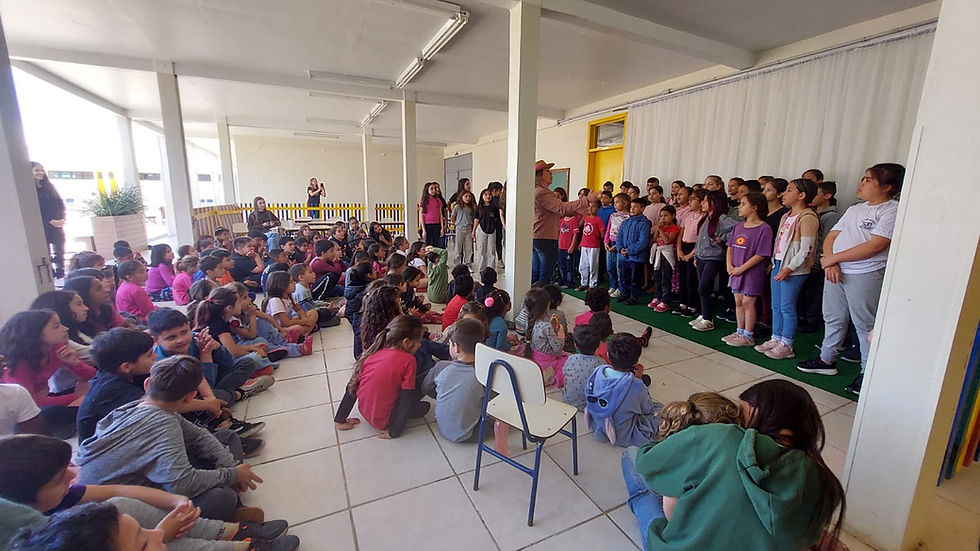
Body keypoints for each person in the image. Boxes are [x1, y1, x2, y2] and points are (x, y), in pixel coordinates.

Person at [621, 379, 845, 551]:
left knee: (632, 458)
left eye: (744, 415)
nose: (739, 422)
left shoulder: (721, 437)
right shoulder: (824, 483)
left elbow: (647, 461)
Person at [0, 435, 298, 551]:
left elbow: (118, 491)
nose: (72, 474)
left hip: (118, 532)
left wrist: (176, 503)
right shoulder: (31, 532)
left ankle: (226, 531)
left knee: (119, 506)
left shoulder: (59, 498)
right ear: (26, 496)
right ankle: (241, 546)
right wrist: (157, 534)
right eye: (57, 477)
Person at [76, 356, 265, 522]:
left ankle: (234, 498)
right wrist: (231, 474)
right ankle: (231, 509)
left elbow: (200, 437)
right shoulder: (162, 422)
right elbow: (180, 484)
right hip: (117, 510)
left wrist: (232, 470)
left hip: (143, 482)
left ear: (147, 384)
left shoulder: (138, 407)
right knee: (222, 498)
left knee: (228, 436)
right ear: (191, 396)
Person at [797, 163, 904, 395]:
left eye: (868, 180)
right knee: (833, 316)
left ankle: (867, 372)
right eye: (863, 178)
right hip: (835, 270)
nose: (861, 183)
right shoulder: (855, 209)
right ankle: (827, 359)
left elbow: (876, 245)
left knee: (865, 323)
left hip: (865, 272)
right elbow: (833, 235)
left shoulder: (891, 210)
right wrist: (831, 260)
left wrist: (833, 259)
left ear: (888, 187)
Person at [150, 309, 271, 411]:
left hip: (213, 381)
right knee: (200, 399)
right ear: (156, 340)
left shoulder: (196, 338)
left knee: (248, 362)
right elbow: (202, 387)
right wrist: (205, 356)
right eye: (171, 337)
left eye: (184, 332)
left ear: (189, 326)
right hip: (194, 392)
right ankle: (239, 393)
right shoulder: (162, 363)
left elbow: (228, 365)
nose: (181, 340)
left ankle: (225, 397)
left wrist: (217, 349)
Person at [0, 310, 96, 432]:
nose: (65, 328)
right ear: (35, 334)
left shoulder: (57, 348)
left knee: (95, 399)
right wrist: (77, 396)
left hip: (45, 398)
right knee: (59, 411)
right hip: (22, 415)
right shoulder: (17, 364)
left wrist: (75, 364)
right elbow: (31, 402)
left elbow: (93, 377)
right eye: (56, 326)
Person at [753, 179, 818, 359]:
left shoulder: (807, 217)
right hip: (779, 263)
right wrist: (774, 263)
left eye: (789, 190)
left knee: (787, 307)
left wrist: (788, 269)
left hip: (794, 269)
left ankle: (787, 343)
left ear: (801, 195)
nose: (784, 194)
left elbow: (807, 249)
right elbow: (779, 243)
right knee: (776, 305)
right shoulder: (785, 216)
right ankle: (776, 337)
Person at [351, 315, 428, 439]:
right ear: (406, 342)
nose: (419, 345)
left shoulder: (373, 352)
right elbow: (405, 398)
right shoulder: (409, 360)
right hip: (385, 421)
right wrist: (395, 431)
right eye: (418, 341)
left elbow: (352, 387)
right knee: (425, 401)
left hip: (366, 413)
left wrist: (340, 418)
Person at [585, 333, 662, 447]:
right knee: (661, 410)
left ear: (608, 355)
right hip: (623, 435)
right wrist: (639, 379)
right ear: (636, 362)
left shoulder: (598, 371)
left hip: (598, 424)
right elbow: (647, 409)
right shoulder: (636, 385)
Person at [721, 192, 773, 347]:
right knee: (738, 301)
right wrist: (730, 266)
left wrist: (741, 269)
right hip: (735, 270)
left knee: (748, 302)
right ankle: (739, 331)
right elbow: (730, 247)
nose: (739, 207)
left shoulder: (764, 229)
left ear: (755, 207)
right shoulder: (738, 226)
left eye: (743, 204)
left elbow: (761, 254)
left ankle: (749, 335)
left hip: (751, 272)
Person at [423, 318, 486, 443]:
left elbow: (426, 388)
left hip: (442, 427)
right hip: (471, 434)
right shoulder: (484, 374)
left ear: (456, 347)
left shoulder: (441, 367)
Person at [532, 160, 595, 284]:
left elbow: (558, 211)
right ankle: (539, 301)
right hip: (545, 238)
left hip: (539, 237)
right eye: (547, 171)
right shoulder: (542, 192)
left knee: (537, 273)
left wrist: (578, 210)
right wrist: (586, 200)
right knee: (544, 275)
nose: (551, 174)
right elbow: (561, 208)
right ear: (539, 175)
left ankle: (533, 300)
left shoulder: (537, 191)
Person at [798, 180, 842, 333]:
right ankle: (804, 317)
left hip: (818, 262)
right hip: (810, 261)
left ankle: (812, 320)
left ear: (827, 196)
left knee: (815, 293)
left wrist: (817, 262)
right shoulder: (816, 214)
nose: (812, 197)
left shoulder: (831, 217)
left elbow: (828, 241)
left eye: (816, 194)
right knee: (808, 291)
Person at [690, 191, 737, 331]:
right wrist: (695, 255)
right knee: (702, 287)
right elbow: (699, 240)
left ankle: (708, 318)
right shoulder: (706, 219)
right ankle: (704, 314)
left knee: (704, 287)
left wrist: (722, 238)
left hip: (713, 257)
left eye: (706, 201)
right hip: (701, 256)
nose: (702, 203)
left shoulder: (722, 219)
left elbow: (738, 229)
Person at [525, 287, 568, 387]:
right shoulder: (546, 326)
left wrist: (551, 326)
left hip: (534, 355)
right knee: (568, 360)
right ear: (546, 306)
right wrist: (561, 335)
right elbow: (557, 349)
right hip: (548, 359)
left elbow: (540, 336)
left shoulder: (530, 322)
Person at [32, 162, 67, 278]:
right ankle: (49, 274)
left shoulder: (49, 187)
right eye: (37, 170)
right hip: (43, 225)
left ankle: (60, 271)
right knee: (45, 251)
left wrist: (62, 218)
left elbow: (60, 203)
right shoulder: (30, 190)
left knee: (59, 248)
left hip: (57, 224)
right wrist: (48, 221)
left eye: (42, 170)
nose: (40, 173)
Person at [616, 198, 653, 305]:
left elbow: (643, 242)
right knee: (624, 276)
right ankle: (625, 293)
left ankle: (634, 296)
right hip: (624, 256)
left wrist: (629, 250)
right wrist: (620, 248)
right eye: (631, 207)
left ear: (642, 208)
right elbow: (620, 236)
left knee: (635, 278)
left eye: (635, 207)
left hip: (636, 258)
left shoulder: (644, 223)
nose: (632, 209)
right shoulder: (626, 222)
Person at [673, 187, 703, 317]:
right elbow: (681, 233)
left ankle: (693, 305)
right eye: (689, 199)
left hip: (695, 248)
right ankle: (682, 303)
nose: (690, 201)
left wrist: (691, 254)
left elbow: (701, 239)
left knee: (692, 279)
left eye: (693, 199)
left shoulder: (704, 217)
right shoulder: (688, 215)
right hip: (684, 247)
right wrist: (679, 249)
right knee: (683, 277)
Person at [262, 272, 317, 342]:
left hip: (290, 321)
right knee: (297, 328)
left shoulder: (289, 296)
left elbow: (299, 310)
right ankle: (304, 331)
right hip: (279, 328)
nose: (295, 283)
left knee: (313, 313)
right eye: (291, 282)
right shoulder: (275, 300)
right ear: (281, 285)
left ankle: (305, 333)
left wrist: (304, 319)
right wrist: (304, 322)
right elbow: (285, 323)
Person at [562, 324, 604, 411]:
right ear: (598, 345)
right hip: (590, 405)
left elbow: (565, 378)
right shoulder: (601, 363)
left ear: (575, 345)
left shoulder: (572, 358)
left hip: (568, 401)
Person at [648, 206, 679, 312]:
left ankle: (665, 300)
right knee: (657, 276)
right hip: (658, 252)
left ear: (673, 216)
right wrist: (658, 229)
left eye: (666, 216)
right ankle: (657, 296)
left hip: (667, 253)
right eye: (661, 216)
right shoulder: (660, 226)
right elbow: (655, 239)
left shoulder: (674, 228)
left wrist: (660, 229)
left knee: (666, 277)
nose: (663, 218)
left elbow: (667, 241)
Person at [604, 193, 631, 298]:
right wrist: (606, 242)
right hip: (610, 243)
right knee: (610, 266)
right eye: (614, 203)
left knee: (620, 267)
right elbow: (608, 229)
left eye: (617, 202)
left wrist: (619, 245)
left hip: (621, 245)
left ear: (625, 203)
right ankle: (613, 285)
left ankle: (621, 288)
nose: (615, 205)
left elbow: (626, 233)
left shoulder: (628, 216)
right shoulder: (613, 215)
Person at [577, 200, 605, 290]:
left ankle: (593, 284)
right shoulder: (586, 218)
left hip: (594, 246)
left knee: (593, 266)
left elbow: (602, 233)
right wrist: (581, 244)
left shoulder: (599, 220)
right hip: (585, 245)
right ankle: (584, 283)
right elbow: (584, 232)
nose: (590, 208)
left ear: (598, 209)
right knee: (583, 265)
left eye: (593, 207)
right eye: (589, 206)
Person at [472, 188, 501, 274]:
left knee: (491, 251)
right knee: (481, 250)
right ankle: (482, 269)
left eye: (489, 194)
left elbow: (496, 218)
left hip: (492, 230)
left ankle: (491, 269)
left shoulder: (494, 207)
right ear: (482, 196)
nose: (488, 196)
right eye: (486, 195)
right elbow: (476, 219)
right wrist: (473, 231)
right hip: (481, 230)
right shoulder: (479, 208)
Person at [557, 208, 582, 289]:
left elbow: (575, 234)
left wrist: (572, 246)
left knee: (569, 266)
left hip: (569, 247)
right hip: (561, 246)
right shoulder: (562, 220)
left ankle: (570, 282)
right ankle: (563, 280)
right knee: (562, 264)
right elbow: (559, 232)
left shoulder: (574, 220)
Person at [418, 182, 447, 247]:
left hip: (436, 224)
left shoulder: (437, 200)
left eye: (434, 189)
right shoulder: (423, 201)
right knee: (428, 243)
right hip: (427, 225)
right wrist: (423, 229)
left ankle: (435, 256)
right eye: (431, 189)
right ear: (427, 190)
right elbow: (421, 215)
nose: (434, 190)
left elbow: (440, 215)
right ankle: (428, 256)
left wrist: (442, 227)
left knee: (436, 243)